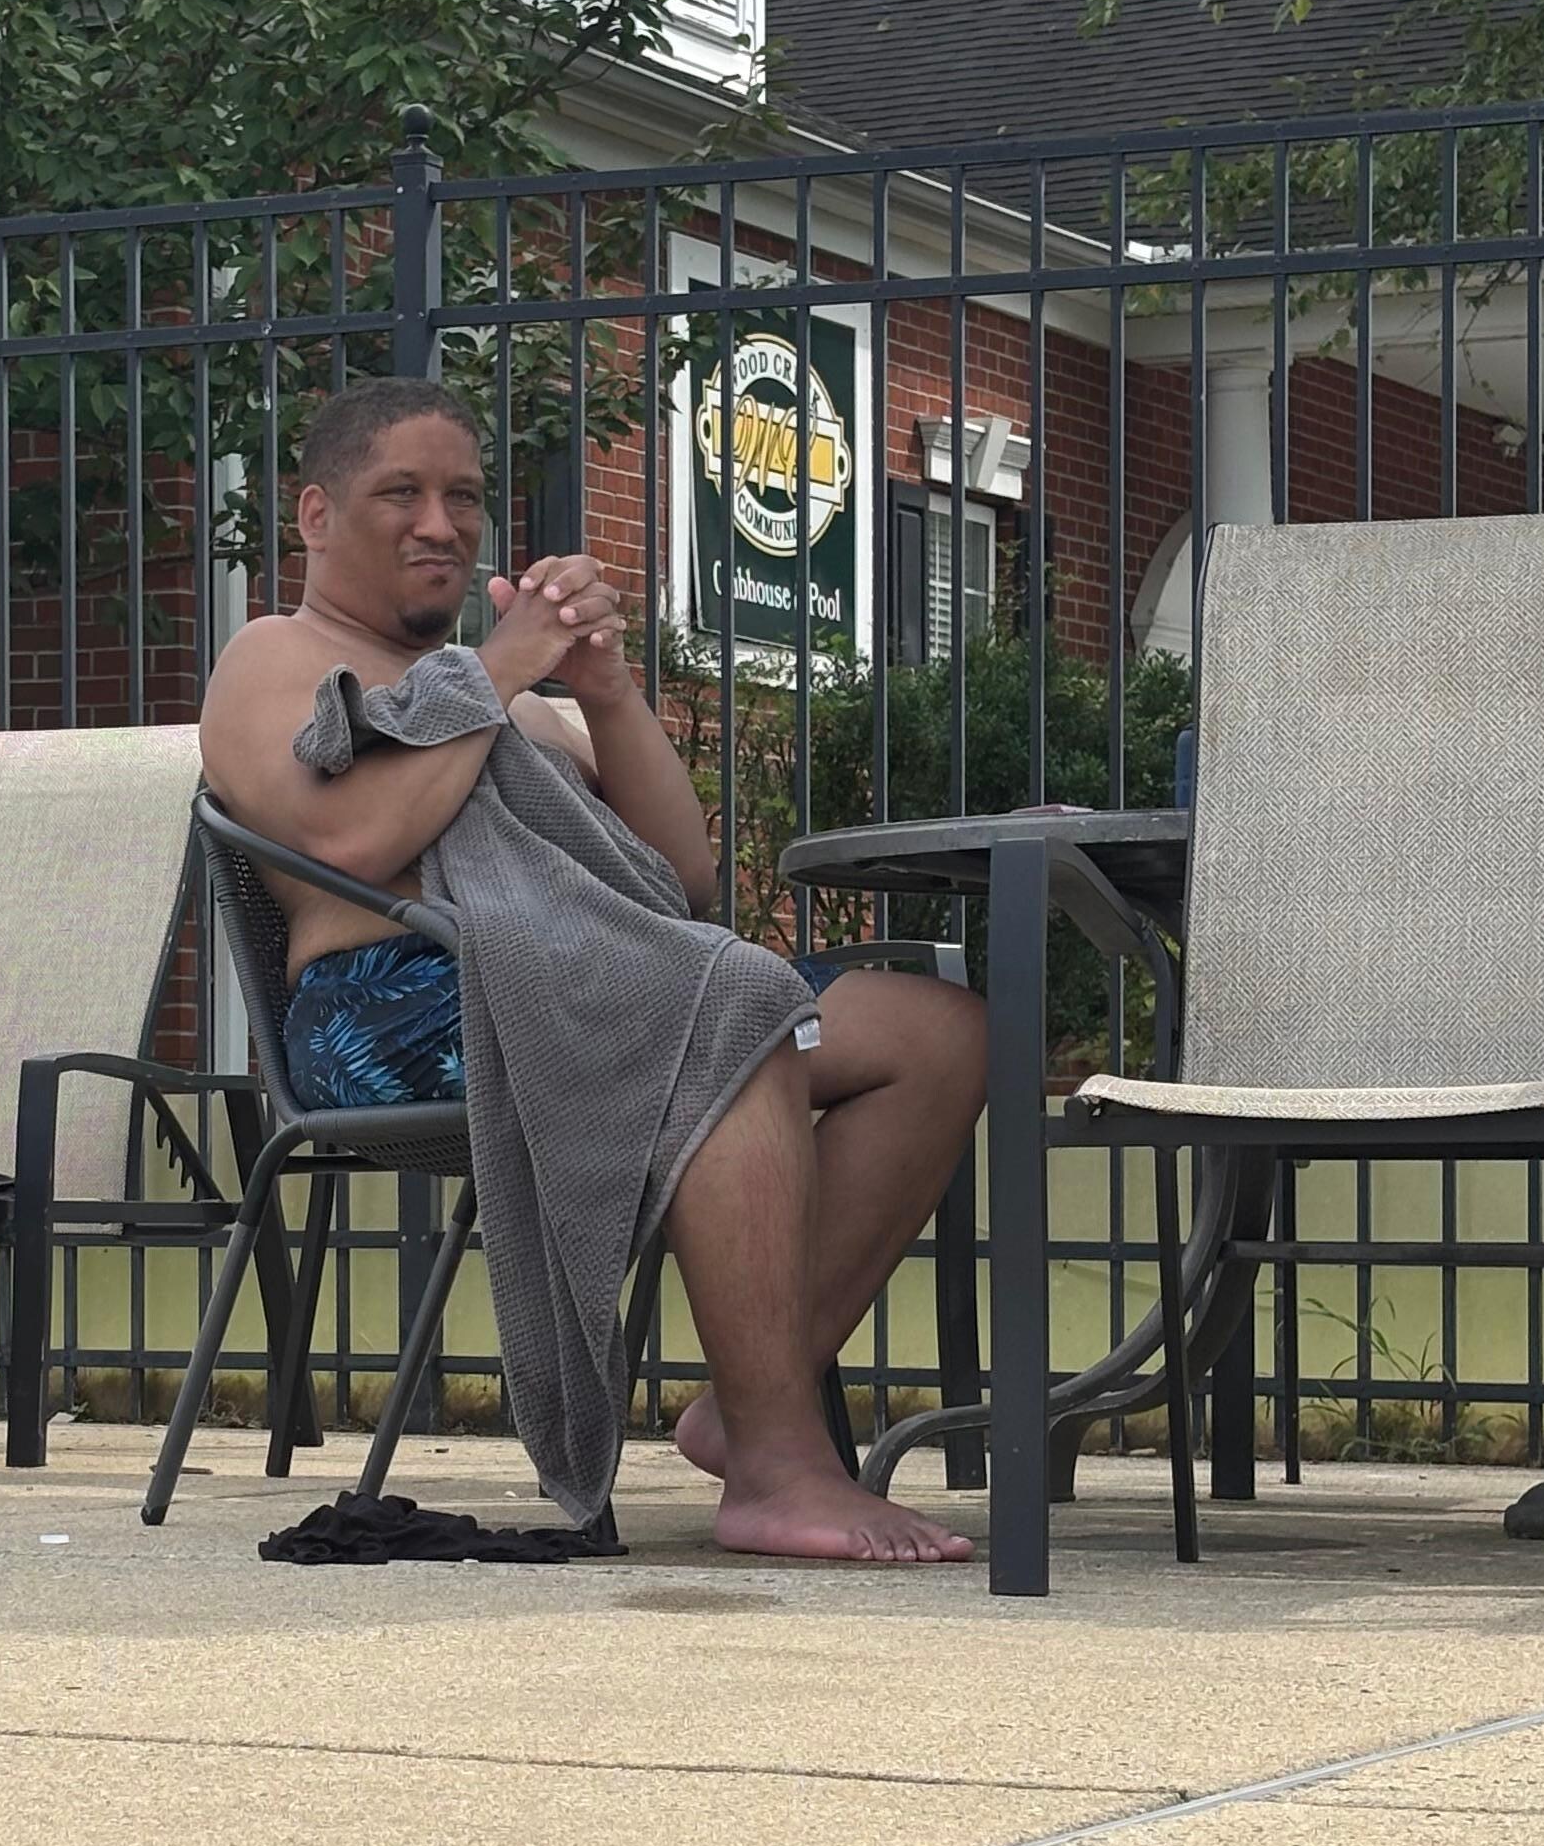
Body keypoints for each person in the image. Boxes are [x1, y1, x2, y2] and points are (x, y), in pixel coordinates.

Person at [200, 377, 986, 1563]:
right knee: (728, 1004)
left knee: (934, 1033)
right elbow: (357, 841)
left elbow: (682, 883)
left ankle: (750, 1400)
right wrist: (500, 667)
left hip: (598, 982)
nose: (441, 525)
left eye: (463, 497)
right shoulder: (276, 655)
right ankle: (782, 1467)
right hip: (393, 1008)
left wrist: (605, 690)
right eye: (399, 494)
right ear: (314, 516)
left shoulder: (515, 703)